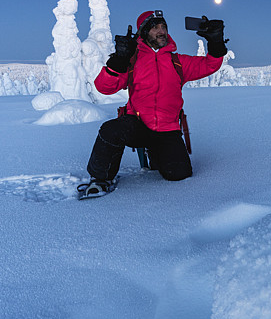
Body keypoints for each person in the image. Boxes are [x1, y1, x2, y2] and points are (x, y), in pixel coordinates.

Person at [77, 10, 226, 198]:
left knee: (179, 174)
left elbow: (210, 65)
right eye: (155, 27)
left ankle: (155, 153)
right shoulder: (132, 61)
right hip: (137, 125)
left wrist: (216, 42)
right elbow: (103, 87)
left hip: (167, 128)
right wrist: (119, 60)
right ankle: (101, 179)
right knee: (110, 130)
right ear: (143, 33)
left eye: (163, 26)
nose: (161, 31)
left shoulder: (177, 61)